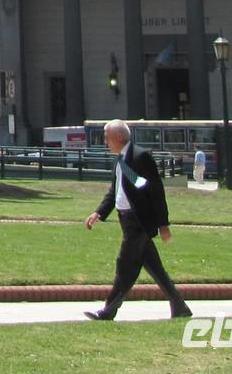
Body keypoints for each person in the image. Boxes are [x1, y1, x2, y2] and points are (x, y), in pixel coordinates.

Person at [82, 118, 191, 321]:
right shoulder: (121, 160)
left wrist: (163, 224)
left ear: (120, 137)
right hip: (127, 221)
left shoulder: (140, 157)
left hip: (138, 223)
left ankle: (108, 310)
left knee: (125, 265)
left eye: (108, 137)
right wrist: (99, 213)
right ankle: (179, 306)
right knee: (153, 266)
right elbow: (116, 192)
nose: (105, 141)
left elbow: (155, 191)